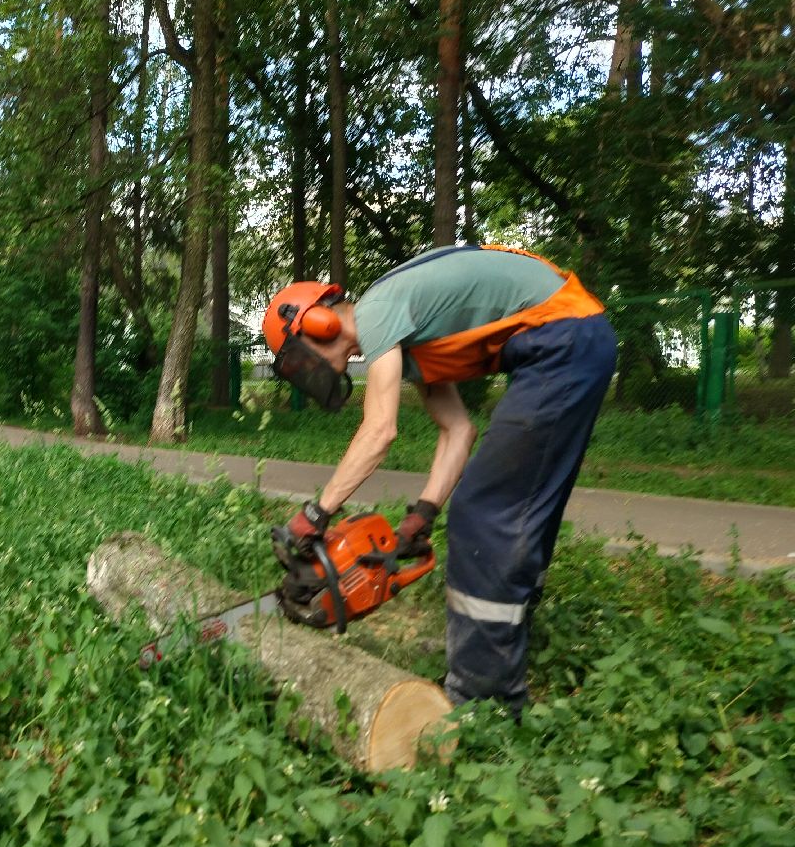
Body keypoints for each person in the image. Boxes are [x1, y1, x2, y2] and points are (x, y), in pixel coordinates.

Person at [260, 243, 617, 715]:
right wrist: (422, 516)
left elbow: (379, 431)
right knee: (518, 504)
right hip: (569, 342)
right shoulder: (409, 341)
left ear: (316, 324)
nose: (309, 371)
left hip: (562, 340)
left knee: (484, 511)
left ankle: (484, 699)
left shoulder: (377, 311)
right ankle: (505, 642)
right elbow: (458, 430)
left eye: (300, 359)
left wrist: (317, 513)